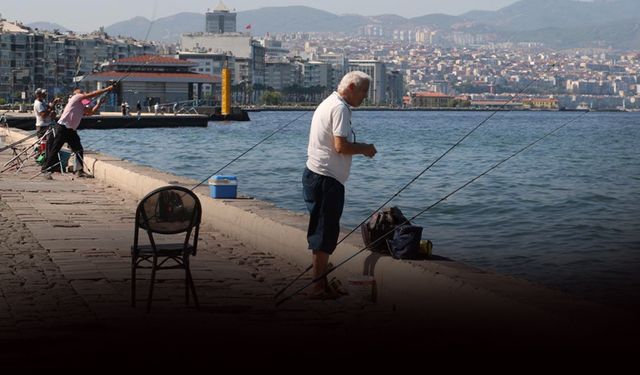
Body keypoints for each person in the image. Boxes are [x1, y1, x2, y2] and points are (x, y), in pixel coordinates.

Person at [302, 71, 377, 299]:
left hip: (314, 175)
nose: (365, 96)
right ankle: (317, 287)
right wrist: (365, 149)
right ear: (352, 87)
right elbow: (341, 146)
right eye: (364, 91)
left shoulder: (329, 102)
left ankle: (321, 280)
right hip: (326, 180)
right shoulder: (341, 108)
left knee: (321, 229)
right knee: (325, 233)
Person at [41, 85, 114, 179]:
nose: (82, 92)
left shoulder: (80, 105)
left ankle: (79, 171)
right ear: (76, 92)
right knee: (55, 149)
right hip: (63, 127)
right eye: (81, 91)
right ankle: (46, 169)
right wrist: (107, 89)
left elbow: (90, 112)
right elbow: (91, 95)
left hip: (71, 130)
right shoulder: (75, 97)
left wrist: (99, 104)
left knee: (78, 148)